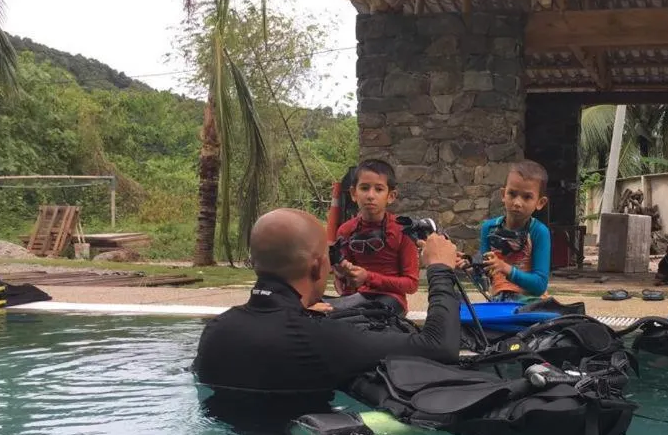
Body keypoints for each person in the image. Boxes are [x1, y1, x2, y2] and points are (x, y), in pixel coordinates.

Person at [193, 207, 461, 410]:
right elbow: (440, 347)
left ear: (255, 263)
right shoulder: (322, 338)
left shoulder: (216, 331)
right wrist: (439, 269)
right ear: (316, 266)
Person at [331, 159, 419, 314]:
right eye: (364, 188)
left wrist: (368, 277)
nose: (370, 196)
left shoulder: (402, 230)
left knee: (367, 313)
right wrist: (342, 274)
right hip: (355, 299)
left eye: (378, 189)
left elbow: (411, 284)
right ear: (354, 193)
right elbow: (345, 280)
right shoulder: (345, 230)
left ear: (391, 196)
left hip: (389, 300)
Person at [477, 159, 552, 303]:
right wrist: (471, 266)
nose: (517, 203)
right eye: (512, 194)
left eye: (527, 197)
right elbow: (484, 280)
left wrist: (505, 268)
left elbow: (540, 285)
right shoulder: (489, 228)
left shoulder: (538, 232)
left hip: (529, 304)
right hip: (498, 302)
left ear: (540, 202)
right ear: (503, 195)